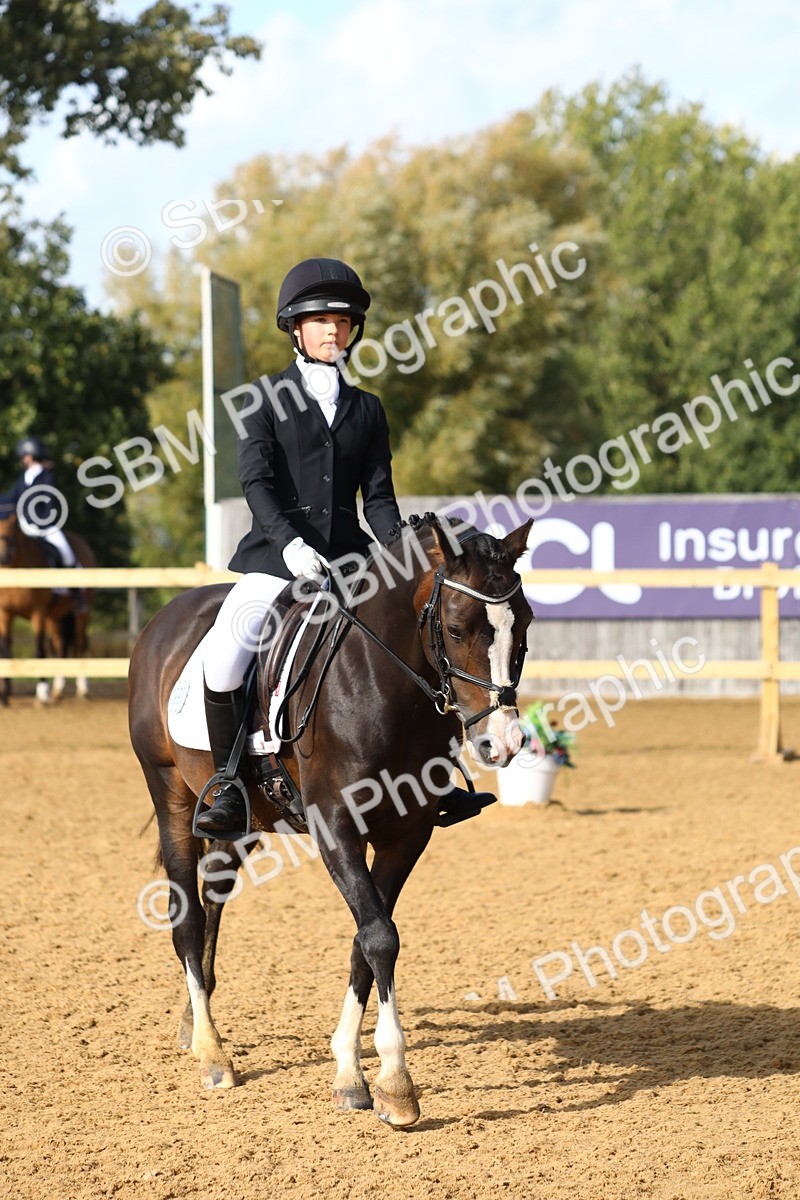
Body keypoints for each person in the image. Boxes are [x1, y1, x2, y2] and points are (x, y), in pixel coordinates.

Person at [195, 257, 494, 838]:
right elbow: (256, 485)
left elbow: (379, 497)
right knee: (225, 653)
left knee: (419, 637)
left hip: (353, 561)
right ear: (295, 328)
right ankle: (229, 784)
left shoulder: (367, 409)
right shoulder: (262, 399)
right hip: (273, 559)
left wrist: (402, 550)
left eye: (343, 321)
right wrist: (289, 547)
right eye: (321, 320)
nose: (334, 330)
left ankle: (437, 773)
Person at [0, 437, 79, 585]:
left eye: (25, 455)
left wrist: (42, 522)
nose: (23, 459)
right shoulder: (23, 477)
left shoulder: (47, 476)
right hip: (24, 526)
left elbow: (51, 501)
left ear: (31, 455)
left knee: (66, 552)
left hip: (45, 526)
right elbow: (11, 498)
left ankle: (76, 593)